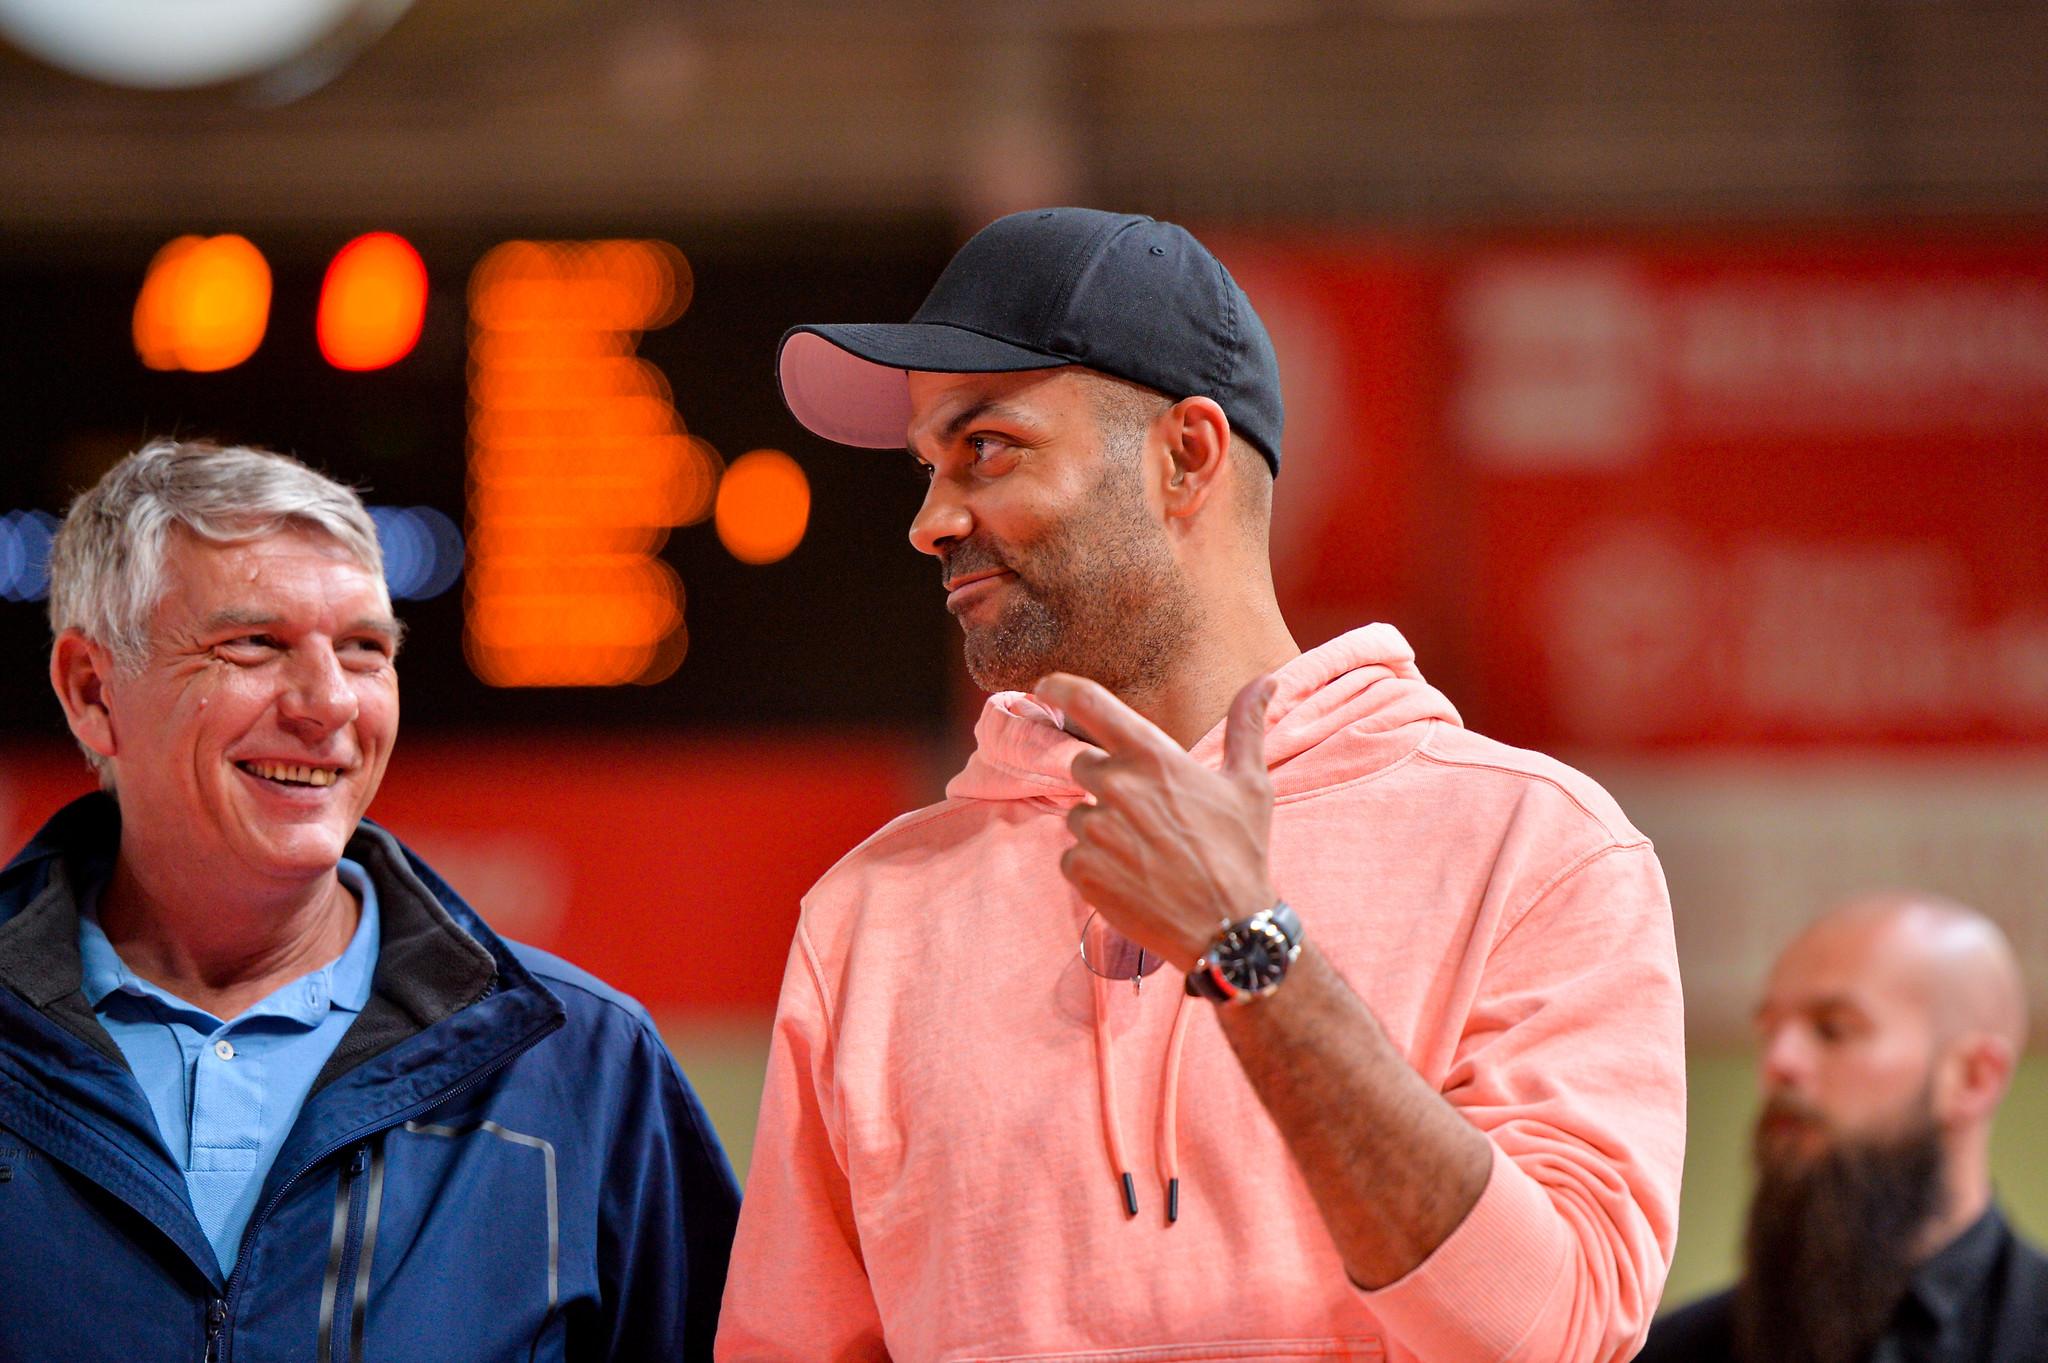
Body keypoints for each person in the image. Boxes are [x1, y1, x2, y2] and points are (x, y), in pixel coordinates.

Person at [717, 207, 1686, 1363]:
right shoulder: (867, 916)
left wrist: (1249, 950)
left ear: (1184, 456)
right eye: (925, 466)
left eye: (985, 448)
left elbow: (1555, 1334)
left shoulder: (1534, 851)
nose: (931, 520)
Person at [0, 439, 740, 1362]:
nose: (328, 703)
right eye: (253, 644)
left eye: (364, 649)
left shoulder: (583, 1065)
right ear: (91, 689)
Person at [1640, 893, 2047, 1363]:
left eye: (1832, 1029)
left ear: (1973, 1079)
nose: (1777, 1064)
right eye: (1770, 1031)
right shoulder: (1670, 1351)